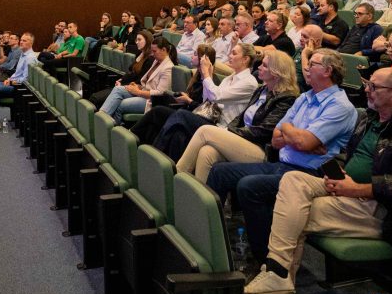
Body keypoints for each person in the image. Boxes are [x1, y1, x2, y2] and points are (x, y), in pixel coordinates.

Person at [242, 67, 392, 294]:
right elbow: (351, 155)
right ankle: (276, 277)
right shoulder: (368, 119)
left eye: (374, 87)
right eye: (367, 84)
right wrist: (339, 170)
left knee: (295, 215)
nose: (367, 90)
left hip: (378, 207)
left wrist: (360, 188)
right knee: (292, 180)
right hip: (347, 190)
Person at [206, 49, 358, 264]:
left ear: (327, 71)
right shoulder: (305, 97)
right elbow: (276, 138)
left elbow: (302, 141)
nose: (306, 68)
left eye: (312, 64)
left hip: (308, 174)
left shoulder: (340, 106)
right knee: (220, 171)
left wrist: (293, 134)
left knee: (250, 186)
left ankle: (264, 260)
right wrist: (295, 135)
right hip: (283, 163)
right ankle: (210, 240)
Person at [175, 50, 300, 185]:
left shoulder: (286, 98)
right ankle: (199, 195)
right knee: (207, 152)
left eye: (264, 65)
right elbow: (240, 117)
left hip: (261, 149)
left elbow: (264, 131)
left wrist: (231, 132)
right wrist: (230, 130)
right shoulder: (262, 90)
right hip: (243, 139)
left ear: (276, 73)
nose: (258, 67)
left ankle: (177, 175)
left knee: (205, 131)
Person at [97, 36, 175, 119]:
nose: (152, 53)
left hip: (151, 101)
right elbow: (148, 83)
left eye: (154, 51)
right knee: (118, 89)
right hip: (143, 92)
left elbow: (160, 93)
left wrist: (138, 92)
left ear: (163, 50)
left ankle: (111, 124)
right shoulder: (156, 61)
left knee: (121, 104)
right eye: (152, 51)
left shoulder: (168, 67)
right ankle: (101, 117)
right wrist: (138, 86)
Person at [0, 33, 38, 133]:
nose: (21, 42)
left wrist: (12, 81)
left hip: (20, 88)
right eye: (21, 40)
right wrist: (10, 79)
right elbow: (17, 73)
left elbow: (26, 79)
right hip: (13, 82)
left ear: (31, 43)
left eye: (24, 40)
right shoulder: (23, 54)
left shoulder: (30, 58)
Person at [87, 30, 154, 107]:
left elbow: (139, 80)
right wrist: (121, 80)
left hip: (134, 89)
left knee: (96, 99)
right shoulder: (140, 54)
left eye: (139, 40)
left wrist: (122, 84)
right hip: (125, 85)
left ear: (147, 41)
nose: (136, 42)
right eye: (136, 40)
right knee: (94, 97)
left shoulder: (150, 59)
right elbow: (131, 73)